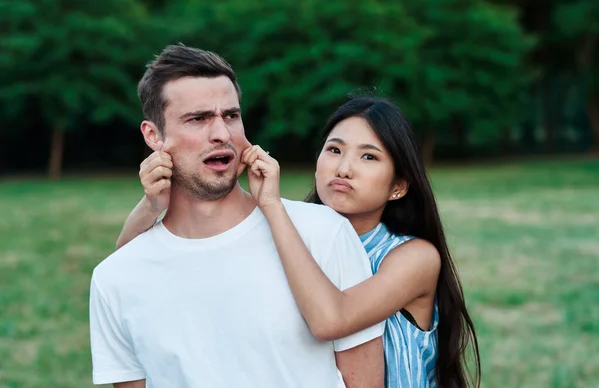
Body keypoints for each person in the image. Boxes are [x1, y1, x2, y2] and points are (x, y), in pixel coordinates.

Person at [118, 95, 482, 387]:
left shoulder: (414, 257)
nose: (343, 169)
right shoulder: (294, 236)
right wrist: (152, 205)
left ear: (399, 186)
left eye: (368, 157)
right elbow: (129, 275)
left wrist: (271, 206)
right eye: (334, 150)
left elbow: (331, 320)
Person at [89, 44, 386, 388]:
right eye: (198, 119)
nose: (222, 134)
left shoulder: (324, 233)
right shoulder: (115, 278)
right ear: (153, 136)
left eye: (230, 116)